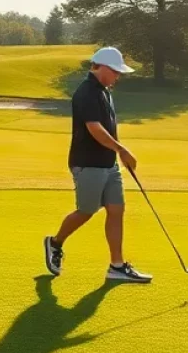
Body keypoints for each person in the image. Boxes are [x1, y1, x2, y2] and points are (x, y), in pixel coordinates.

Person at [42, 46, 152, 283]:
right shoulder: (87, 92)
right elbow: (95, 129)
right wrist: (121, 149)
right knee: (87, 210)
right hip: (87, 163)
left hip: (108, 164)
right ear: (100, 67)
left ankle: (117, 265)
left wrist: (117, 154)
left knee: (116, 209)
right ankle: (55, 242)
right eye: (115, 71)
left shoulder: (104, 90)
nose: (118, 76)